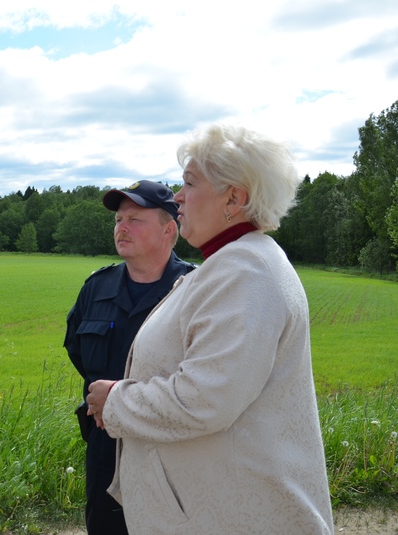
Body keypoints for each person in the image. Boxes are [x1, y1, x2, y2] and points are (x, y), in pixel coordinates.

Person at [86, 123, 334, 534]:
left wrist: (114, 401)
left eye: (188, 183)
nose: (178, 196)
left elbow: (204, 399)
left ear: (234, 198)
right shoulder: (233, 264)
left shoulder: (245, 272)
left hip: (231, 516)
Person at [64, 180, 195, 535]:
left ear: (170, 230)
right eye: (119, 219)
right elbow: (77, 348)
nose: (122, 227)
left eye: (135, 219)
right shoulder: (97, 287)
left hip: (171, 451)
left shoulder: (195, 290)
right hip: (107, 447)